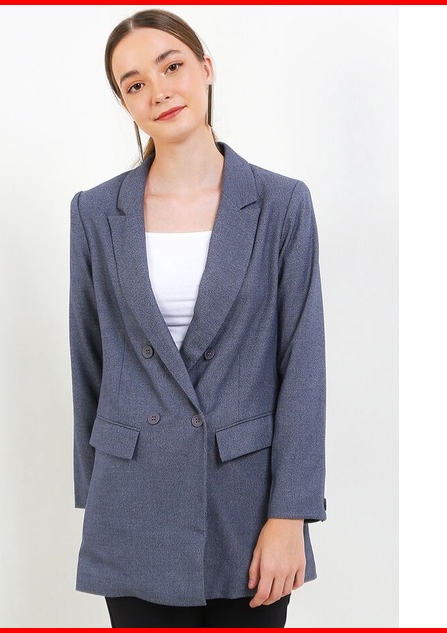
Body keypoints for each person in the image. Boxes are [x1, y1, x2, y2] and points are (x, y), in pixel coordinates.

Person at [69, 9, 327, 628]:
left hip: (246, 505)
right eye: (135, 83)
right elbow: (89, 360)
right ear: (125, 103)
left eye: (172, 66)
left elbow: (303, 366)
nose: (158, 91)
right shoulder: (95, 212)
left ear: (206, 69)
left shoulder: (282, 204)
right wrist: (95, 491)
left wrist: (290, 514)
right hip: (131, 502)